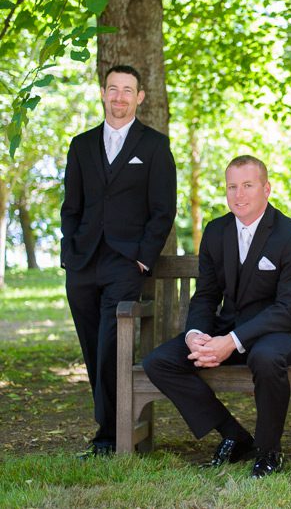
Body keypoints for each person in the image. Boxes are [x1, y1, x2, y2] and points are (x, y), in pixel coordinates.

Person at [142, 155, 291, 478]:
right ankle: (233, 435)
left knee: (265, 357)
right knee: (159, 361)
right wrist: (195, 334)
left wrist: (231, 342)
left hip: (280, 333)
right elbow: (206, 294)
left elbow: (288, 309)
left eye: (248, 185)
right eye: (232, 186)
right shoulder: (216, 231)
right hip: (226, 329)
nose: (239, 194)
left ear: (267, 189)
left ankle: (268, 452)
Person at [61, 65, 176, 458]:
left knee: (111, 346)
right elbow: (70, 207)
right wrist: (68, 256)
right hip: (83, 264)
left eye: (128, 90)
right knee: (92, 348)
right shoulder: (81, 145)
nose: (120, 97)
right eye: (113, 89)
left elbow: (163, 210)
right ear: (103, 93)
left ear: (140, 97)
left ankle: (110, 437)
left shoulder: (155, 146)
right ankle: (110, 427)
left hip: (125, 264)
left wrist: (143, 260)